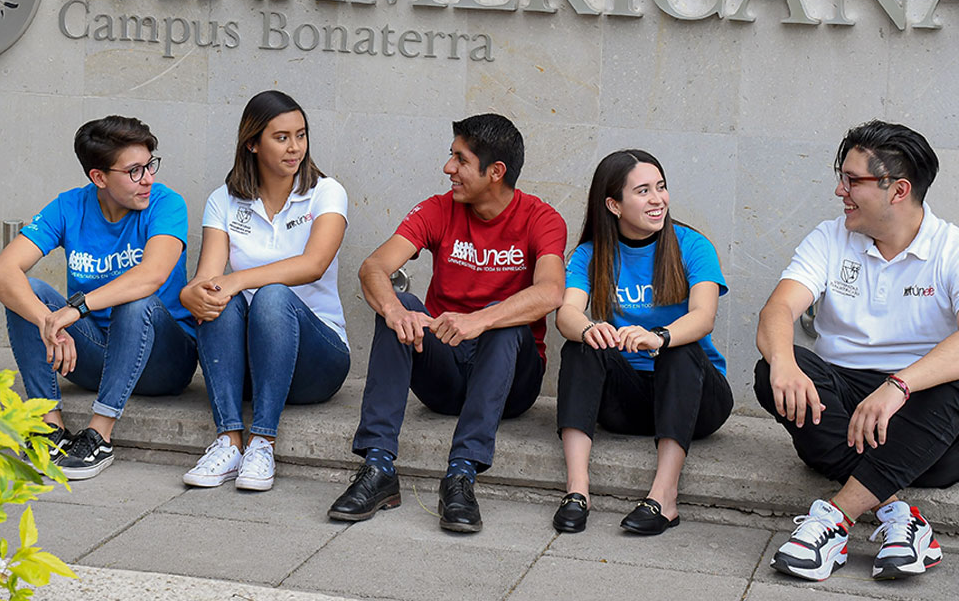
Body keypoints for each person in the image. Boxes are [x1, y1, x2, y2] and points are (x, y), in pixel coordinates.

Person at [755, 121, 959, 582]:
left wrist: (899, 385)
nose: (839, 190)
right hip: (849, 416)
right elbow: (778, 309)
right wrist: (783, 362)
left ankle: (835, 518)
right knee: (775, 365)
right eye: (841, 176)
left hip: (932, 429)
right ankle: (900, 519)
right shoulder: (831, 238)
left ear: (898, 189)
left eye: (852, 180)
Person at [327, 113, 566, 533]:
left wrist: (479, 320)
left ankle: (461, 474)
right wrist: (395, 310)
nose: (448, 168)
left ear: (495, 172)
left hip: (511, 381)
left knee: (507, 321)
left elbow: (549, 293)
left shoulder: (541, 219)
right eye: (450, 156)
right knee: (397, 304)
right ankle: (379, 467)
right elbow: (373, 267)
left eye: (460, 159)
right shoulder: (438, 209)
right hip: (445, 372)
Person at [0, 115, 198, 480]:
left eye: (150, 165)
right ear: (99, 177)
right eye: (134, 171)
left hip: (163, 361)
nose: (147, 178)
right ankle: (48, 427)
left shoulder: (166, 203)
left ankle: (99, 435)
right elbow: (1, 271)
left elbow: (151, 275)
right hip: (94, 355)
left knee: (136, 299)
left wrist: (76, 308)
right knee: (30, 292)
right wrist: (48, 320)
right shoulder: (69, 207)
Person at [551, 150, 732, 535]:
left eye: (661, 188)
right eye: (644, 191)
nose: (658, 199)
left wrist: (659, 338)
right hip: (627, 403)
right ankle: (577, 490)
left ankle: (664, 497)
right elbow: (566, 314)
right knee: (580, 346)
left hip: (697, 400)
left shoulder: (692, 245)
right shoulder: (590, 255)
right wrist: (588, 329)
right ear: (613, 204)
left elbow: (703, 316)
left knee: (681, 348)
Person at [179, 90, 350, 491]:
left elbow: (314, 265)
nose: (295, 148)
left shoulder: (326, 193)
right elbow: (207, 279)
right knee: (216, 298)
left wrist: (237, 279)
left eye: (301, 135)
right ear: (252, 143)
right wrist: (192, 295)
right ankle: (229, 441)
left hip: (317, 362)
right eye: (281, 137)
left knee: (270, 295)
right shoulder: (224, 201)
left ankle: (263, 441)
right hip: (251, 369)